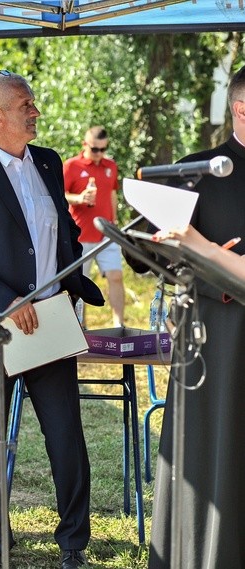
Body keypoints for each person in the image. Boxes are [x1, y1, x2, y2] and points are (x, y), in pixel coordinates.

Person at [0, 71, 104, 569]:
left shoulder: (49, 162)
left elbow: (62, 230)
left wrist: (73, 285)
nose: (35, 111)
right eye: (26, 104)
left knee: (67, 436)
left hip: (50, 321)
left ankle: (73, 543)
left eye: (33, 102)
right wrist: (4, 300)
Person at [146, 65, 245, 569]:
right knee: (208, 454)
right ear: (238, 109)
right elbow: (152, 254)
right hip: (212, 338)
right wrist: (205, 267)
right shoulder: (198, 169)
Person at [63, 126, 125, 326]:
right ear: (85, 145)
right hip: (80, 234)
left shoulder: (110, 166)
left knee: (116, 276)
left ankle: (119, 324)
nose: (99, 154)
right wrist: (79, 198)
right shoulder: (71, 166)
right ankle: (80, 326)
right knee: (81, 284)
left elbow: (112, 194)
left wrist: (115, 224)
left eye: (103, 149)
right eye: (95, 149)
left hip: (106, 234)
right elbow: (60, 196)